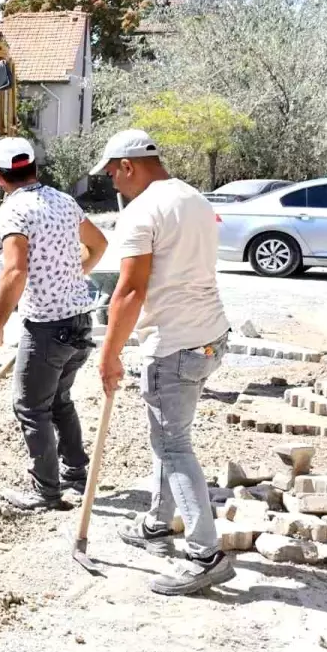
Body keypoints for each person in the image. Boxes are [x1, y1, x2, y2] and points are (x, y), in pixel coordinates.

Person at [94, 129, 234, 596]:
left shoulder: (141, 211)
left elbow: (130, 291)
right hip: (210, 336)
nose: (113, 182)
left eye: (113, 172)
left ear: (129, 165)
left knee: (173, 445)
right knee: (169, 437)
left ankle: (205, 555)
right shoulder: (192, 197)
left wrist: (110, 353)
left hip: (174, 346)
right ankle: (157, 523)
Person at [0, 137, 109, 511]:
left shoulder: (14, 210)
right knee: (58, 400)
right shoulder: (64, 201)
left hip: (47, 328)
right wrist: (74, 274)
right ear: (35, 168)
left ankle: (46, 491)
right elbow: (99, 245)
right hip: (80, 322)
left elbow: (14, 271)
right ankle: (75, 472)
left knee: (31, 407)